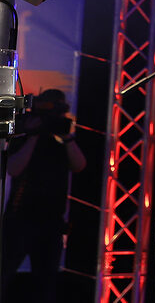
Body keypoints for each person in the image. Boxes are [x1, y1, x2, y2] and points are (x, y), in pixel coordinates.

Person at [2, 89, 86, 303]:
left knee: (45, 287)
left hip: (51, 224)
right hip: (20, 219)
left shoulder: (62, 142)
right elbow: (13, 168)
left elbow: (79, 165)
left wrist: (67, 137)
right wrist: (33, 136)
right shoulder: (23, 137)